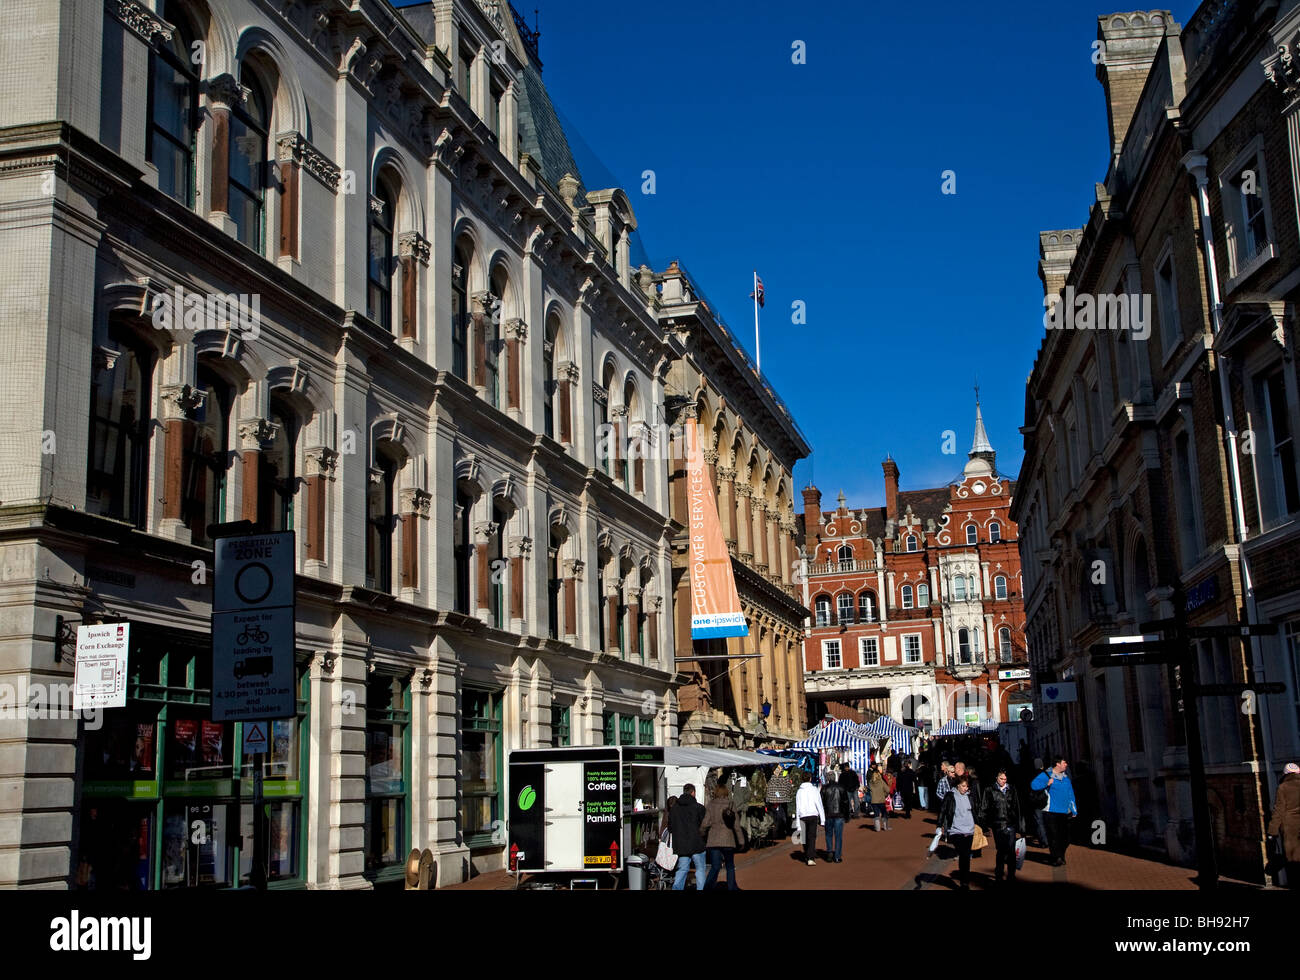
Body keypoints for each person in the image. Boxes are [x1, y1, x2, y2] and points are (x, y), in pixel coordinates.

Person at [1030, 755, 1077, 866]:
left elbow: (1071, 794)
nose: (1066, 765)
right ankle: (1057, 857)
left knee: (1066, 837)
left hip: (1065, 812)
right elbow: (1033, 785)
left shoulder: (1066, 778)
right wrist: (1046, 783)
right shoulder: (1046, 775)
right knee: (1054, 836)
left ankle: (1060, 855)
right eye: (1064, 762)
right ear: (1058, 764)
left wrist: (1074, 809)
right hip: (1051, 811)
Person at [980, 769, 1023, 883]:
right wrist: (983, 825)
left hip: (1010, 823)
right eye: (1001, 779)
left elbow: (1017, 807)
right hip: (997, 824)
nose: (1003, 781)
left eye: (1005, 779)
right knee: (1001, 850)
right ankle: (999, 873)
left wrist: (1020, 825)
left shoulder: (1012, 789)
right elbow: (984, 807)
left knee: (1011, 850)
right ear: (996, 778)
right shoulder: (989, 790)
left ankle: (1011, 875)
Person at [700, 783, 745, 889]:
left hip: (714, 839)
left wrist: (701, 833)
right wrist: (741, 840)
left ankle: (708, 887)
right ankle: (731, 887)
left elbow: (705, 823)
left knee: (715, 866)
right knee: (730, 866)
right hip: (728, 839)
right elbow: (736, 825)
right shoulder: (730, 804)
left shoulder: (711, 804)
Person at [939, 774, 979, 889]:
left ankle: (964, 882)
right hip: (956, 830)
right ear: (958, 786)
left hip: (969, 830)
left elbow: (975, 811)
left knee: (965, 857)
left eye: (967, 786)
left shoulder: (970, 796)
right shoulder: (950, 796)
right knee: (963, 854)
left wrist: (981, 825)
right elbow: (943, 811)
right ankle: (964, 881)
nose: (965, 788)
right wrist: (939, 825)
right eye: (963, 786)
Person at [1267, 762, 1300, 888]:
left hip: (1289, 828)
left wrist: (1272, 831)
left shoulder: (1283, 787)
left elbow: (1279, 811)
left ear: (1285, 774)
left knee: (1293, 862)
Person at [669, 783, 707, 890]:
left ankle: (676, 889)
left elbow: (671, 828)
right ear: (693, 792)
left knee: (682, 869)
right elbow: (705, 826)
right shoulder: (699, 808)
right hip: (697, 844)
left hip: (681, 845)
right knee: (700, 869)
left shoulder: (674, 809)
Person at [795, 773, 825, 866]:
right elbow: (819, 804)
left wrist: (797, 824)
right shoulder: (814, 790)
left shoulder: (799, 791)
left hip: (803, 816)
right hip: (813, 815)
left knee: (804, 837)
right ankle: (810, 857)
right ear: (810, 779)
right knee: (811, 836)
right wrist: (823, 819)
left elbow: (797, 807)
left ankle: (808, 854)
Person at [820, 771, 849, 863]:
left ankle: (829, 852)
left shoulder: (824, 788)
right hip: (839, 814)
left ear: (828, 778)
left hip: (828, 814)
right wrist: (847, 815)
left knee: (828, 834)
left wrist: (821, 816)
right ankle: (837, 856)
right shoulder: (841, 787)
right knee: (838, 836)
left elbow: (821, 803)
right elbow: (845, 802)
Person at [766, 765, 795, 839]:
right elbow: (788, 786)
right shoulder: (784, 773)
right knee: (781, 817)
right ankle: (780, 832)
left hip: (773, 799)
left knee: (775, 817)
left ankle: (775, 833)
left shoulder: (771, 775)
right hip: (781, 799)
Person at [1028, 758, 1050, 848]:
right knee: (1047, 822)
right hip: (1046, 801)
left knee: (1039, 822)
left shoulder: (1030, 775)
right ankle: (1049, 840)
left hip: (1035, 802)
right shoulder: (1046, 774)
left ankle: (1044, 841)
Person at [868, 763, 891, 832]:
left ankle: (877, 828)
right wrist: (885, 794)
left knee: (876, 814)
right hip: (881, 800)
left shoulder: (870, 783)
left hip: (874, 801)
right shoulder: (881, 782)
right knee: (884, 813)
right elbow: (888, 790)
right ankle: (885, 827)